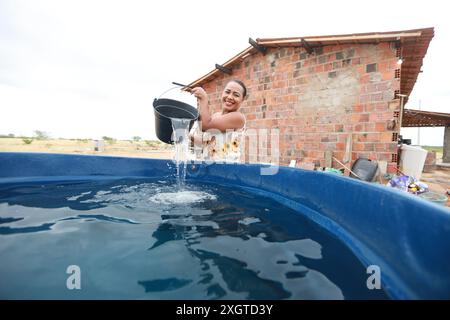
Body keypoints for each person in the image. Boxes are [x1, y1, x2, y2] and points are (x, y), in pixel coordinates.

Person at [189, 80, 247, 161]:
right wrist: (189, 135)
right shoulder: (216, 116)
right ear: (222, 93)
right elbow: (206, 142)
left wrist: (203, 98)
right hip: (210, 167)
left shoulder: (238, 118)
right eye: (227, 92)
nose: (230, 97)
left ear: (242, 99)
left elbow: (205, 125)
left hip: (226, 170)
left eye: (236, 95)